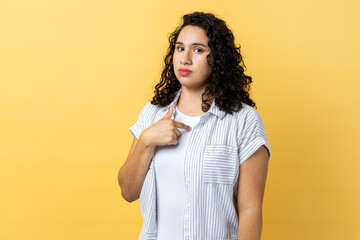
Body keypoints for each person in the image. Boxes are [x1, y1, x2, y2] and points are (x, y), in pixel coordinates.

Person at [118, 11, 271, 240]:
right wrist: (146, 141)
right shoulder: (152, 114)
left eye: (198, 50)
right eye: (180, 48)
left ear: (217, 58)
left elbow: (250, 210)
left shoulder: (243, 121)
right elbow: (128, 192)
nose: (185, 58)